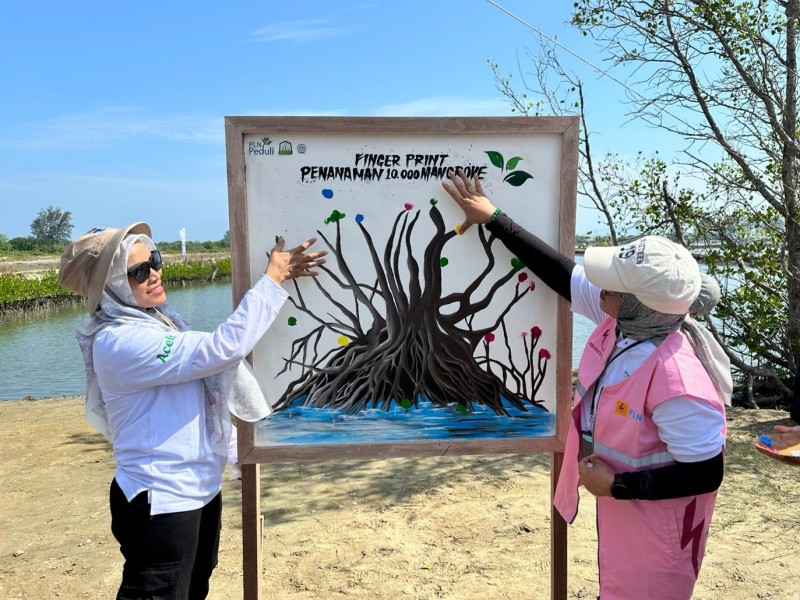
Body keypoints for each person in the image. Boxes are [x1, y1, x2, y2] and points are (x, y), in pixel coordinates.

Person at [442, 170, 731, 600]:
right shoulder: (625, 323)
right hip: (627, 515)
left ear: (636, 303)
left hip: (660, 528)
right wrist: (495, 218)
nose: (599, 289)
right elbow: (562, 273)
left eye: (611, 285)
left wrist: (618, 486)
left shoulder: (678, 379)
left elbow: (708, 473)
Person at [57, 223, 326, 600]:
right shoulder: (121, 341)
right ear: (113, 287)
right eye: (137, 272)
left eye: (154, 260)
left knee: (193, 590)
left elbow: (193, 401)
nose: (154, 274)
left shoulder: (157, 324)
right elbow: (221, 348)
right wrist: (272, 279)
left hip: (197, 494)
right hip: (161, 500)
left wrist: (237, 450)